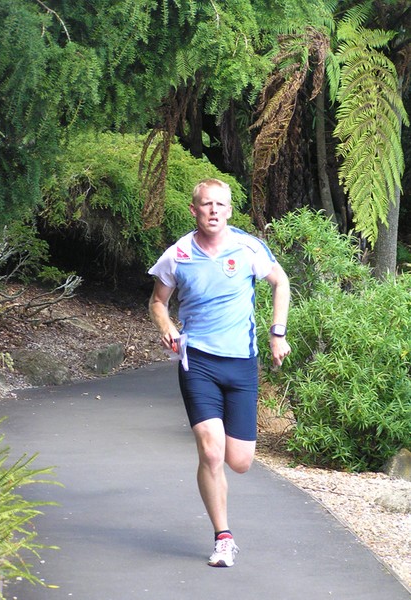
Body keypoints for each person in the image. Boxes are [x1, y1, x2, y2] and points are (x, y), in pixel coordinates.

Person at [148, 178, 291, 567]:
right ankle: (223, 537)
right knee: (211, 451)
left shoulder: (248, 248)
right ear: (193, 210)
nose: (213, 210)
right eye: (206, 204)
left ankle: (225, 491)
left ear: (229, 211)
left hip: (242, 363)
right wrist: (167, 327)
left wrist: (277, 333)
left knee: (239, 461)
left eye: (220, 205)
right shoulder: (177, 254)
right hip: (199, 363)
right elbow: (158, 302)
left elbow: (282, 283)